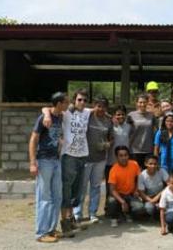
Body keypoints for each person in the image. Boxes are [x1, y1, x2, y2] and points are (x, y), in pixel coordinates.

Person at [42, 88, 90, 236]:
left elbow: (99, 109)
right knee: (67, 188)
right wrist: (46, 115)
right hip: (69, 155)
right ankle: (65, 224)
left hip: (83, 155)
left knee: (77, 189)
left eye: (84, 100)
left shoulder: (87, 113)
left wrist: (110, 115)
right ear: (74, 101)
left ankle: (72, 219)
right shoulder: (66, 113)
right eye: (79, 99)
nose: (82, 102)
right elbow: (46, 108)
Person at [29, 92, 68, 243]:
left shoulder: (60, 116)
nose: (67, 105)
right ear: (59, 103)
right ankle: (41, 233)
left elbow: (46, 108)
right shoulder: (43, 118)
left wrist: (60, 140)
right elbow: (33, 139)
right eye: (65, 102)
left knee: (57, 196)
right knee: (44, 197)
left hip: (56, 161)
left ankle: (51, 229)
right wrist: (33, 163)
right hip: (44, 161)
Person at [73, 97, 113, 224]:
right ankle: (77, 213)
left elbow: (111, 137)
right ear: (94, 106)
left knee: (95, 187)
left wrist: (108, 144)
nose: (101, 109)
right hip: (85, 158)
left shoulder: (108, 121)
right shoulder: (87, 116)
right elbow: (75, 108)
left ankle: (92, 213)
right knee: (82, 186)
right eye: (98, 106)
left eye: (103, 106)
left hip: (100, 159)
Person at [107, 145, 145, 227]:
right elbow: (112, 190)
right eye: (121, 155)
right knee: (111, 201)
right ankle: (115, 217)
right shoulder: (113, 170)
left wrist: (136, 190)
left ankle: (127, 213)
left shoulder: (134, 164)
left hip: (130, 194)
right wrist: (122, 201)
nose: (124, 158)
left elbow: (139, 178)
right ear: (117, 157)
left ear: (128, 155)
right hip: (118, 195)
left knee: (140, 208)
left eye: (125, 155)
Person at [106, 105, 133, 196]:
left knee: (123, 185)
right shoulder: (110, 125)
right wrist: (110, 118)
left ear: (125, 115)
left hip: (124, 162)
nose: (120, 116)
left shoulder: (129, 127)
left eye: (122, 114)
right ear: (114, 115)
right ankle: (109, 205)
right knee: (110, 186)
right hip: (111, 161)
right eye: (118, 114)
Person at [128, 94, 157, 168]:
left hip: (148, 149)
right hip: (134, 150)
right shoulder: (131, 115)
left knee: (147, 174)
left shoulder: (151, 115)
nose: (142, 104)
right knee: (135, 174)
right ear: (137, 103)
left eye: (144, 102)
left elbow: (157, 129)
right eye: (140, 102)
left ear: (147, 103)